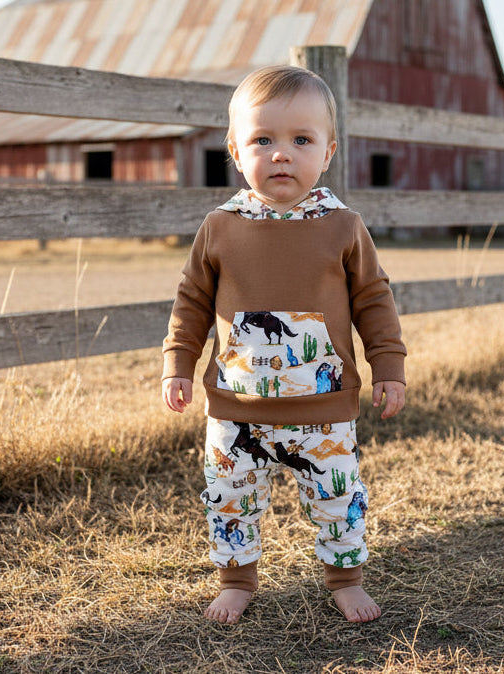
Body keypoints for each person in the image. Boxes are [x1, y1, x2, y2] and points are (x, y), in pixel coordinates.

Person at [161, 64, 406, 625]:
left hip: (322, 409)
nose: (281, 154)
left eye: (301, 140)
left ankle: (344, 578)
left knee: (337, 496)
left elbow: (374, 298)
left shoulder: (342, 225)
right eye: (263, 139)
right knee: (230, 496)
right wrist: (179, 362)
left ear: (328, 152)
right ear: (234, 149)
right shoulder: (220, 226)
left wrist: (387, 365)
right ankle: (236, 580)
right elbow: (192, 300)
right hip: (235, 406)